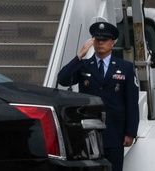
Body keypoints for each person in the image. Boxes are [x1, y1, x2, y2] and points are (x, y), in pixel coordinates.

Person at [57, 21, 139, 171]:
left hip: (114, 131)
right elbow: (62, 79)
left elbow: (132, 103)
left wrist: (130, 132)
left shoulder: (124, 67)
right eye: (97, 39)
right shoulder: (84, 65)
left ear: (112, 42)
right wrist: (80, 55)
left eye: (105, 40)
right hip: (88, 132)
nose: (101, 42)